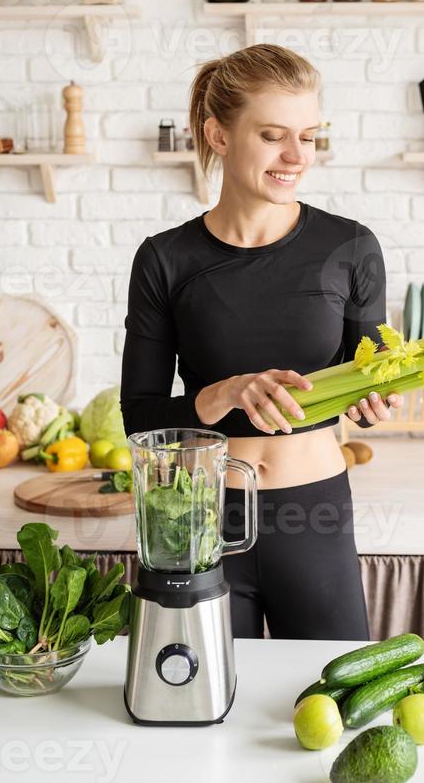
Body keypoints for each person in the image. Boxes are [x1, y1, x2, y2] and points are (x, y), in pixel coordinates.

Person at [120, 43, 403, 641]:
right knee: (204, 707)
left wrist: (376, 404)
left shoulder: (350, 248)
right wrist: (221, 394)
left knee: (332, 703)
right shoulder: (165, 260)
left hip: (314, 513)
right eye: (274, 134)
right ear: (218, 136)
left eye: (309, 135)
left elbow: (368, 381)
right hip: (202, 516)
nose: (296, 156)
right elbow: (140, 417)